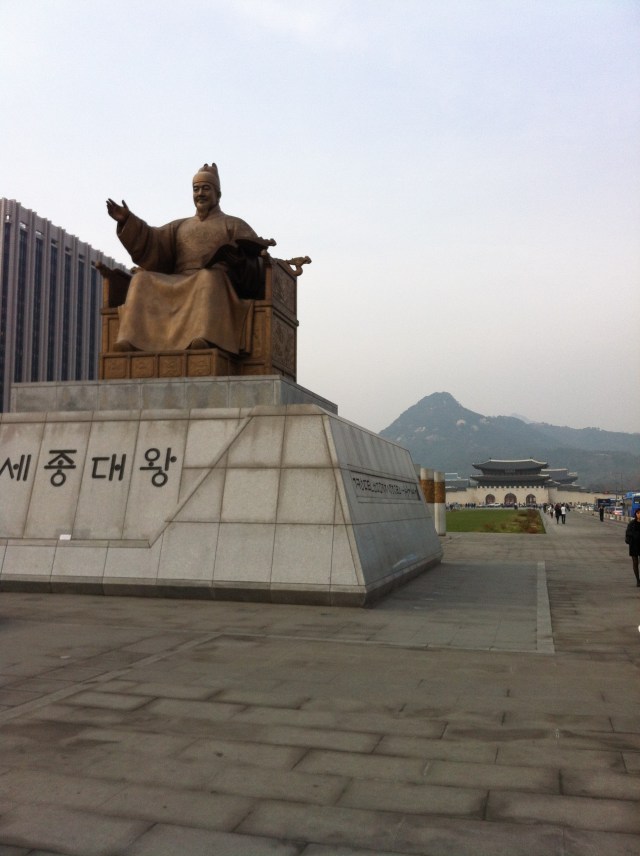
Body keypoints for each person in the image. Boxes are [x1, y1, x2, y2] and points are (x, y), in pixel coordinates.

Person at [106, 163, 275, 354]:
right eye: (196, 189)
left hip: (217, 282)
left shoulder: (234, 224)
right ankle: (132, 339)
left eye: (206, 188)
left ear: (218, 194)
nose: (200, 193)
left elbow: (258, 260)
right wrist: (127, 220)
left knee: (207, 277)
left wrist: (240, 261)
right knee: (141, 279)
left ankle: (205, 337)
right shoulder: (180, 226)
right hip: (179, 278)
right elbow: (153, 241)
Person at [624, 508, 640, 587]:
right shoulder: (631, 523)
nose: (639, 514)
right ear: (635, 514)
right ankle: (638, 580)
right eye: (638, 513)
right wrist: (635, 536)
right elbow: (628, 533)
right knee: (635, 563)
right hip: (634, 545)